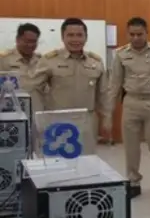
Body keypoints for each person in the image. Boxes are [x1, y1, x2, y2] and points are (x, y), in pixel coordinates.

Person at [29, 18, 112, 155]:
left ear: (86, 37)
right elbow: (34, 89)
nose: (75, 39)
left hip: (87, 121)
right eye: (70, 35)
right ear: (63, 37)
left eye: (79, 35)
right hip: (58, 120)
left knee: (87, 158)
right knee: (58, 160)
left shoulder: (96, 62)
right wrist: (40, 117)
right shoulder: (50, 60)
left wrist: (107, 117)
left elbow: (103, 93)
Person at [108, 17, 150, 199]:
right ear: (127, 34)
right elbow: (114, 84)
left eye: (139, 34)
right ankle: (133, 181)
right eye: (132, 34)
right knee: (131, 146)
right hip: (131, 102)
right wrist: (109, 112)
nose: (135, 38)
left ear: (146, 33)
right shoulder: (121, 54)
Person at [0, 23, 43, 110]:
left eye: (34, 41)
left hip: (37, 110)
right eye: (27, 41)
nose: (30, 45)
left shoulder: (42, 61)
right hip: (13, 111)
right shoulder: (4, 60)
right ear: (17, 39)